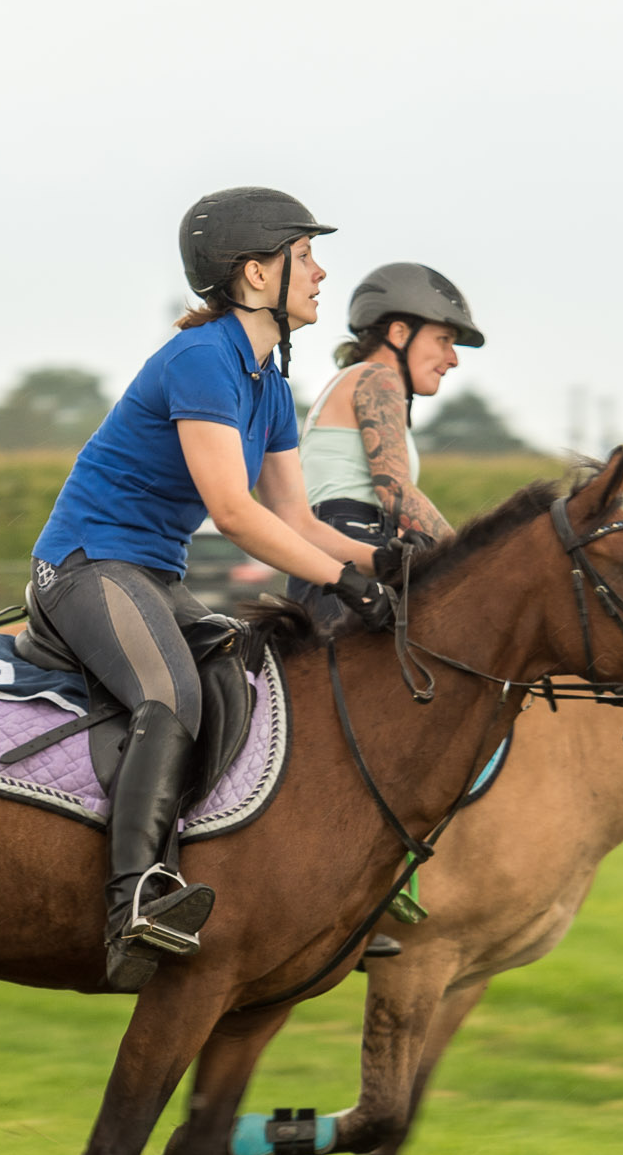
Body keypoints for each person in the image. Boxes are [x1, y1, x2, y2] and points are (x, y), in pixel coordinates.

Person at [28, 187, 409, 989]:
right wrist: (342, 579)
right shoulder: (202, 361)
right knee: (169, 696)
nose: (321, 272)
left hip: (149, 577)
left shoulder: (268, 383)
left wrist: (392, 566)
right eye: (305, 257)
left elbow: (295, 517)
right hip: (87, 567)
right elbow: (234, 514)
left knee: (249, 681)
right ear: (254, 274)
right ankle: (135, 900)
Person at [285, 263, 485, 622]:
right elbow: (394, 489)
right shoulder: (378, 378)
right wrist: (470, 558)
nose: (452, 359)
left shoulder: (357, 379)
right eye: (444, 340)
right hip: (350, 553)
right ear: (398, 332)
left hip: (344, 550)